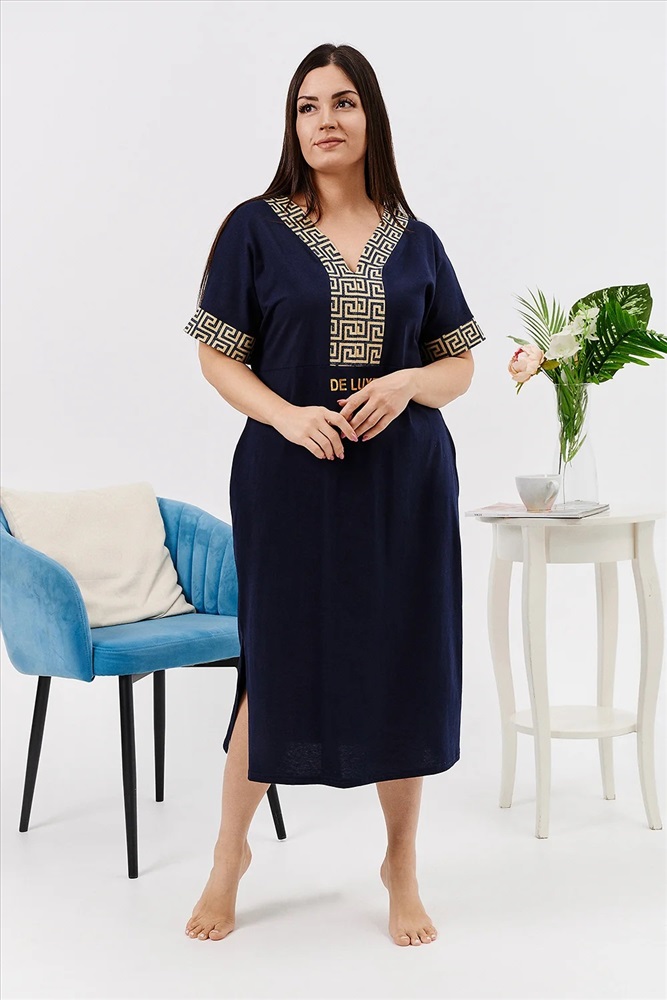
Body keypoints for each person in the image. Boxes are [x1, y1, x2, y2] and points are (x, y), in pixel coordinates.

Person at [183, 42, 486, 947]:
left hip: (404, 484)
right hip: (289, 481)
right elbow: (216, 355)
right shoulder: (253, 228)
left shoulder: (415, 239)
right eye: (308, 105)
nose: (325, 120)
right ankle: (228, 854)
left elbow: (458, 365)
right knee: (276, 663)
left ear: (369, 117)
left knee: (402, 659)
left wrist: (408, 383)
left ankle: (400, 863)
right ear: (293, 123)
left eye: (343, 102)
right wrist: (285, 416)